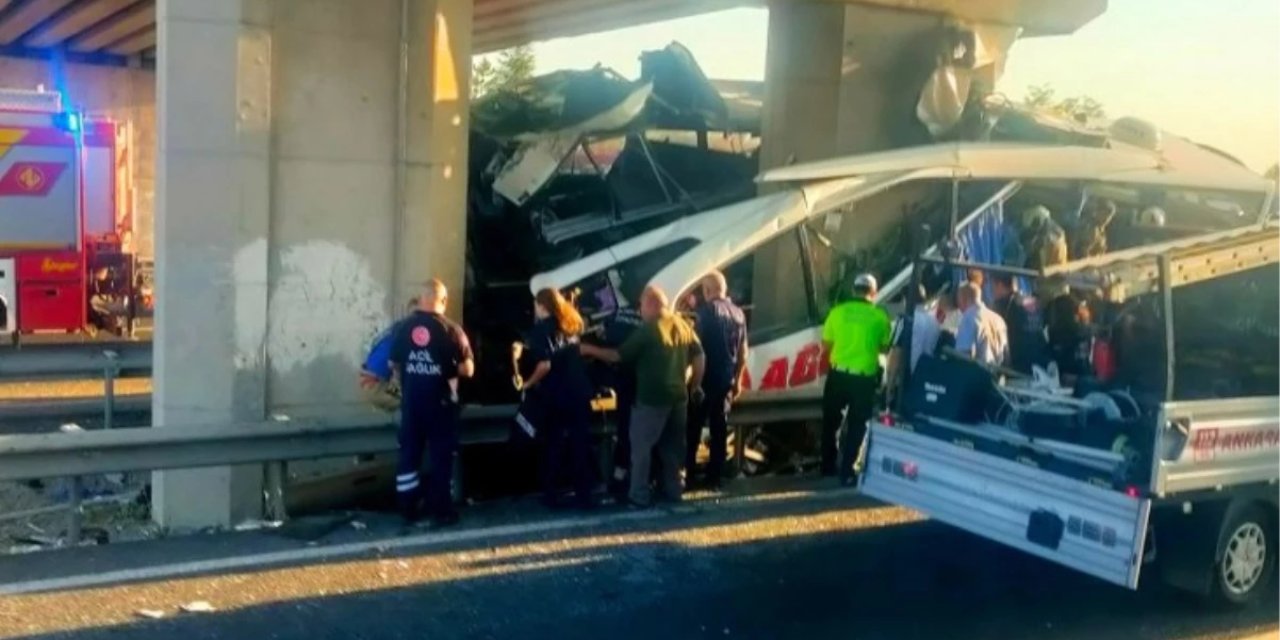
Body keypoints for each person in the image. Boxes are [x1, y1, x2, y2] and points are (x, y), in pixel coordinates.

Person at [581, 285, 705, 507]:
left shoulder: (649, 329)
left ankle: (638, 496)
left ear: (651, 304)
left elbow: (618, 356)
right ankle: (674, 491)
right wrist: (693, 386)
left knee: (641, 449)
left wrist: (589, 350)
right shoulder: (683, 324)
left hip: (651, 399)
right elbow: (699, 358)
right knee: (672, 450)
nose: (640, 311)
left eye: (641, 305)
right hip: (678, 399)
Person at [389, 279, 475, 527]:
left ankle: (407, 507)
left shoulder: (403, 328)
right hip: (441, 404)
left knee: (409, 454)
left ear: (421, 298)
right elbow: (469, 369)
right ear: (444, 301)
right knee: (441, 457)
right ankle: (442, 510)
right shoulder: (452, 330)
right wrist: (444, 367)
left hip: (412, 402)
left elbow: (393, 364)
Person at [522, 288, 597, 510]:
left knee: (553, 445)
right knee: (580, 444)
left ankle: (551, 495)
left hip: (556, 395)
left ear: (541, 305)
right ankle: (584, 496)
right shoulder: (570, 326)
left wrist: (527, 383)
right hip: (580, 392)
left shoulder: (540, 331)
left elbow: (545, 365)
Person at [820, 273, 892, 483]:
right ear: (873, 293)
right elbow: (885, 347)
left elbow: (826, 345)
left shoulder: (837, 312)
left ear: (854, 290)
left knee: (831, 422)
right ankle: (847, 471)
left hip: (837, 375)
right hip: (863, 379)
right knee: (857, 425)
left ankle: (827, 467)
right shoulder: (880, 316)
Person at [686, 271, 748, 490]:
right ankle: (715, 478)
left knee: (693, 428)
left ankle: (690, 475)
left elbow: (694, 349)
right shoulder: (739, 314)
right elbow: (743, 352)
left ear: (706, 290)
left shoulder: (703, 313)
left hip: (704, 379)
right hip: (726, 380)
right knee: (719, 429)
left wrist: (693, 382)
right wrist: (738, 379)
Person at [359, 298, 418, 413]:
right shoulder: (406, 333)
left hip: (367, 378)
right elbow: (396, 364)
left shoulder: (398, 327)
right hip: (375, 384)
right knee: (417, 398)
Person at [990, 275, 1047, 374]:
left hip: (1019, 364)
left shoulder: (1002, 305)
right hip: (1041, 360)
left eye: (993, 287)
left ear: (999, 285)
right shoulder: (1032, 302)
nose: (992, 291)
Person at [954, 281, 1008, 367]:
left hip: (978, 374)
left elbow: (963, 355)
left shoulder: (969, 319)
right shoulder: (999, 319)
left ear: (964, 299)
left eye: (958, 301)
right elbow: (1006, 354)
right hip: (998, 374)